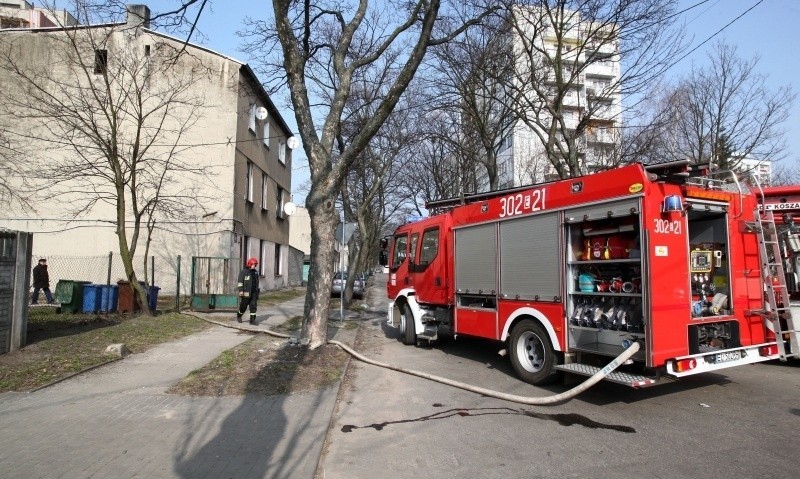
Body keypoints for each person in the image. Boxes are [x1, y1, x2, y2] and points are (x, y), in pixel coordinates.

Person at [236, 257, 260, 324]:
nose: (254, 266)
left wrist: (257, 291)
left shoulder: (255, 272)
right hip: (246, 292)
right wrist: (241, 290)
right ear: (249, 264)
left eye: (255, 265)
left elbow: (257, 282)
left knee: (253, 306)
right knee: (243, 306)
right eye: (253, 265)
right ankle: (239, 316)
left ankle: (252, 320)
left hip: (254, 293)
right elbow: (240, 282)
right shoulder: (243, 272)